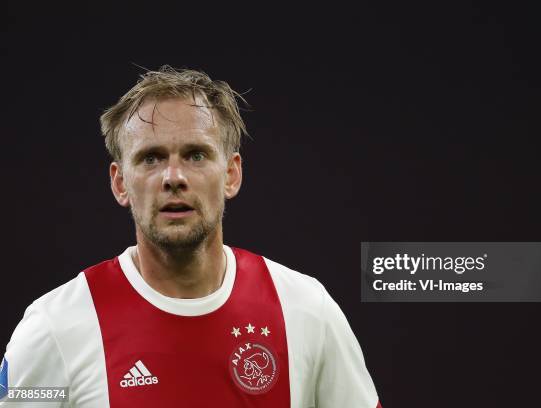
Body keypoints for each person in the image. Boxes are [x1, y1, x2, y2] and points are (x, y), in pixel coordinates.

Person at [0, 66, 381, 407]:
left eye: (196, 155)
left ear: (231, 174)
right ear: (120, 182)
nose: (173, 177)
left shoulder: (306, 310)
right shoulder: (55, 329)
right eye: (151, 158)